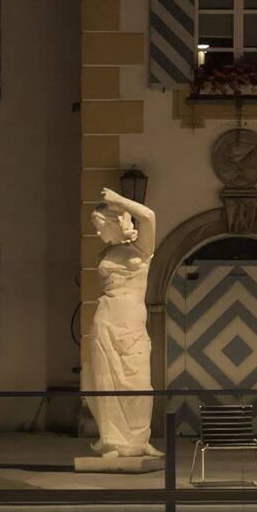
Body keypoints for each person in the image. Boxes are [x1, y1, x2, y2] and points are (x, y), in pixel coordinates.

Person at [84, 186, 160, 457]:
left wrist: (119, 200)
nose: (97, 233)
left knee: (139, 383)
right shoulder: (103, 255)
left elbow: (149, 216)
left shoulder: (142, 248)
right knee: (106, 382)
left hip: (131, 321)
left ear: (116, 224)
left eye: (100, 226)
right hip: (106, 319)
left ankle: (139, 439)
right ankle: (112, 440)